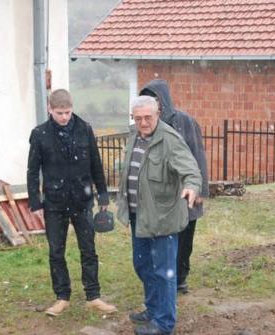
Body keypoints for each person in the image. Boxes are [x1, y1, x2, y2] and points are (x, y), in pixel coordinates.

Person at [27, 89, 117, 316]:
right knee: (56, 251)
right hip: (54, 203)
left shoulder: (84, 129)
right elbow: (32, 170)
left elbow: (96, 163)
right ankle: (62, 297)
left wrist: (103, 195)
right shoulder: (40, 134)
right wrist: (36, 203)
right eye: (59, 113)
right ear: (50, 109)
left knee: (88, 249)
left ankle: (93, 296)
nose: (64, 117)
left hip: (82, 200)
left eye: (67, 112)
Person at [117, 96, 202, 335]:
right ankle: (153, 310)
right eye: (138, 118)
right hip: (139, 214)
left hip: (163, 217)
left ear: (157, 115)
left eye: (148, 117)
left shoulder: (170, 140)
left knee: (164, 272)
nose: (143, 122)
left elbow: (191, 170)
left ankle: (164, 324)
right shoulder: (133, 135)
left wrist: (191, 187)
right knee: (142, 265)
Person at [140, 79, 209, 294]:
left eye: (156, 100)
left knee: (185, 238)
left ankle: (180, 278)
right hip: (161, 196)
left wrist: (199, 190)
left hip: (186, 191)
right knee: (164, 241)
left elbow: (198, 157)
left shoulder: (185, 122)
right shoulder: (147, 126)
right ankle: (164, 277)